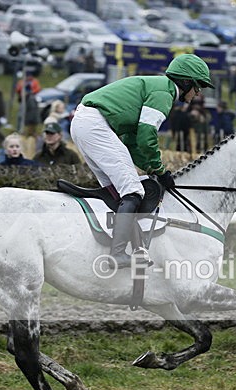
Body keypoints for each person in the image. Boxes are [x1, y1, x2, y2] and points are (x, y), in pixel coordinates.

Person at [70, 53, 214, 268]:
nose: (199, 92)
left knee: (118, 192)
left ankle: (129, 247)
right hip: (95, 125)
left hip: (86, 123)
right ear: (185, 83)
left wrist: (153, 170)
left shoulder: (157, 87)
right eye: (198, 86)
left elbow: (131, 141)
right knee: (132, 190)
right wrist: (159, 169)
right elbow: (147, 136)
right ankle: (117, 254)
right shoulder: (164, 93)